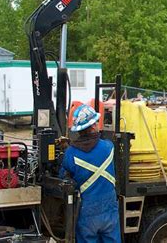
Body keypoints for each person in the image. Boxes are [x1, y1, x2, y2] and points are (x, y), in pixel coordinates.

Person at [60, 104, 121, 242]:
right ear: (93, 126)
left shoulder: (71, 153)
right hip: (109, 208)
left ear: (79, 130)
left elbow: (64, 178)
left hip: (87, 212)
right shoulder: (108, 147)